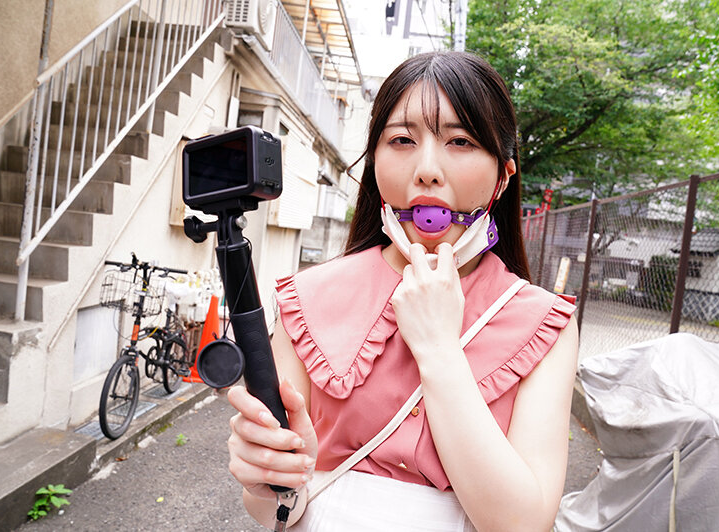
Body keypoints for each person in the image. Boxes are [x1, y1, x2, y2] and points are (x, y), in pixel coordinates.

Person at [227, 50, 578, 531]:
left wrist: (438, 350)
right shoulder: (306, 298)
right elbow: (276, 511)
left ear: (503, 176)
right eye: (402, 140)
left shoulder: (545, 323)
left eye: (460, 141)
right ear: (374, 164)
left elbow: (522, 525)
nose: (427, 169)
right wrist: (269, 479)